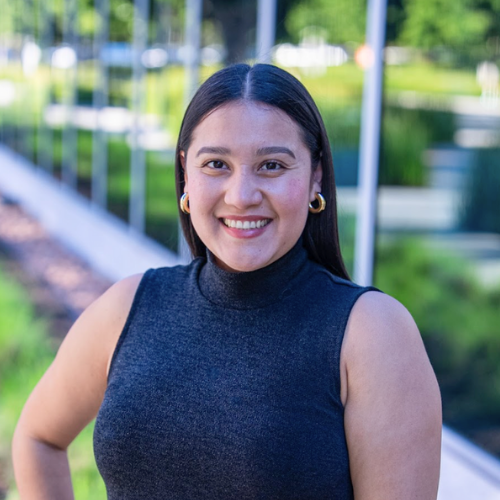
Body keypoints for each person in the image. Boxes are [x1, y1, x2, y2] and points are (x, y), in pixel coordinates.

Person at [12, 63, 442, 499]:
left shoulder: (372, 333)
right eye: (216, 164)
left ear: (315, 175)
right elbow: (38, 438)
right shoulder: (128, 307)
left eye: (271, 165)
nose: (241, 196)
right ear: (186, 174)